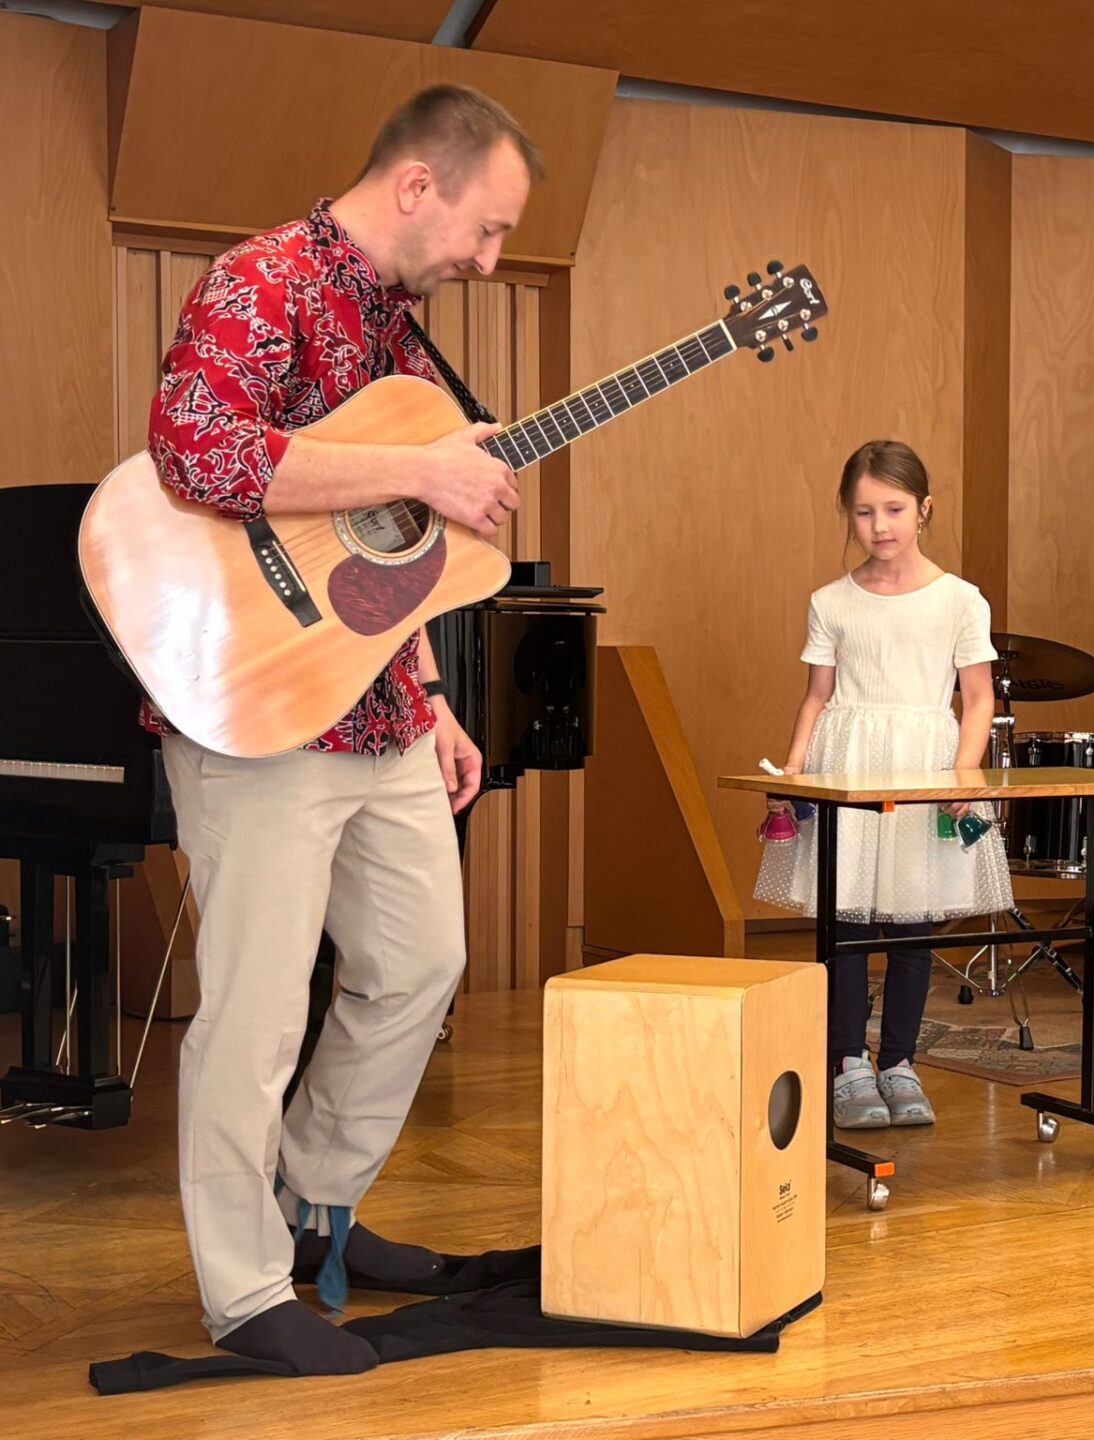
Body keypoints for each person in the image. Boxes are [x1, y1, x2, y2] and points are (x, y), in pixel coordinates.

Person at [143, 85, 540, 1372]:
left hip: (379, 706)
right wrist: (422, 468)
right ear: (418, 185)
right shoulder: (261, 279)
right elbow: (196, 450)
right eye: (487, 229)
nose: (491, 261)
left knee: (419, 965)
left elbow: (387, 561)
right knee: (257, 1009)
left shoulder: (401, 340)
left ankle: (314, 1204)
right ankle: (243, 1289)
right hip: (255, 702)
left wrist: (434, 695)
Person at [758, 440, 1013, 1129]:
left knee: (911, 924)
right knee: (846, 920)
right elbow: (817, 696)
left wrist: (963, 777)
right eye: (865, 511)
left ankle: (899, 1062)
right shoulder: (831, 601)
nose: (880, 525)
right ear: (848, 513)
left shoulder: (960, 600)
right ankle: (848, 1062)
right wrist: (794, 772)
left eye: (895, 509)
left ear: (925, 509)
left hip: (924, 766)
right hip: (848, 763)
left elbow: (978, 697)